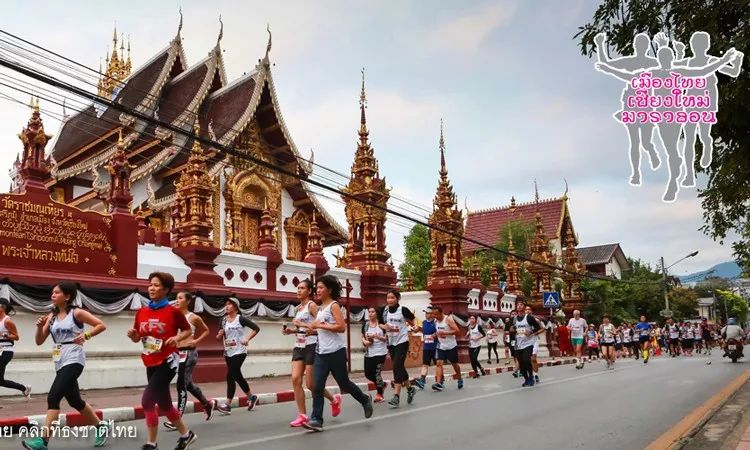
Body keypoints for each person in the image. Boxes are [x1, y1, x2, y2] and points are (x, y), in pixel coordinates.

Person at [22, 282, 109, 450]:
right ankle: (101, 427)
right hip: (59, 359)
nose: (53, 295)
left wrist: (86, 335)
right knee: (75, 401)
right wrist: (40, 328)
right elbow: (39, 341)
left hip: (75, 358)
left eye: (57, 292)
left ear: (67, 296)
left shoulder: (77, 313)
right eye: (52, 292)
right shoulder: (51, 317)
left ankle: (43, 441)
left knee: (53, 397)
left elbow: (101, 325)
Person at [126, 273, 196, 450]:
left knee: (147, 402)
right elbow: (137, 337)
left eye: (156, 285)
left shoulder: (174, 312)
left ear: (166, 289)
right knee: (164, 404)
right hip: (150, 360)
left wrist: (177, 338)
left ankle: (152, 444)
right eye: (150, 285)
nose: (151, 288)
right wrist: (134, 336)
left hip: (168, 361)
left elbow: (187, 331)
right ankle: (187, 435)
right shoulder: (142, 312)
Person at [304, 275, 373, 432]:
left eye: (321, 287)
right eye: (317, 288)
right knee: (317, 386)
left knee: (344, 384)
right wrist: (312, 331)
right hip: (321, 352)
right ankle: (316, 420)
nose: (318, 290)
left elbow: (341, 327)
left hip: (336, 352)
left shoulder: (333, 306)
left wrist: (321, 325)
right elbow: (323, 330)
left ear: (330, 289)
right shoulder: (320, 309)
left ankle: (364, 399)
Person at [283, 280, 339, 427]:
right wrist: (292, 331)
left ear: (309, 291)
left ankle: (333, 400)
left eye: (302, 288)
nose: (299, 290)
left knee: (311, 384)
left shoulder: (312, 306)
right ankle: (302, 415)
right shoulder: (297, 309)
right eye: (298, 288)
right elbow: (303, 329)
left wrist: (303, 326)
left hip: (312, 345)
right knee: (295, 379)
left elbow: (320, 327)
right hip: (299, 346)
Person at [163, 292, 215, 431]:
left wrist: (196, 341)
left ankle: (177, 418)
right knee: (188, 384)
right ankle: (207, 404)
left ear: (188, 301)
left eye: (180, 298)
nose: (177, 300)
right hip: (176, 353)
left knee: (181, 384)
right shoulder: (174, 316)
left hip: (189, 353)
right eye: (177, 298)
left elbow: (206, 330)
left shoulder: (193, 317)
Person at [214, 298, 260, 415]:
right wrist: (219, 335)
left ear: (235, 307)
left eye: (229, 304)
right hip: (228, 351)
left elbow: (256, 328)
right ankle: (251, 397)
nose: (227, 307)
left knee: (230, 375)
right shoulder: (223, 320)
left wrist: (247, 339)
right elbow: (220, 334)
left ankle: (227, 405)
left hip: (240, 351)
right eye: (226, 305)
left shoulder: (240, 318)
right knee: (237, 376)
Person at [380, 289, 417, 408]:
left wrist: (414, 326)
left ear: (397, 299)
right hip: (391, 342)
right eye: (388, 298)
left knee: (396, 366)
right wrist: (384, 326)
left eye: (392, 298)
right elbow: (380, 323)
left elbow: (412, 319)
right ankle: (410, 389)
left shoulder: (403, 310)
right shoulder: (384, 310)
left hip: (402, 341)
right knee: (399, 367)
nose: (389, 300)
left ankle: (396, 396)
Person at [0, 297, 30, 398]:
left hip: (6, 351)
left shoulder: (7, 321)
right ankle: (24, 388)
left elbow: (16, 337)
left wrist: (4, 335)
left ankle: (24, 388)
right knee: (0, 381)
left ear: (2, 307)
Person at [432, 305, 464, 391]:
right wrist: (435, 334)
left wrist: (445, 333)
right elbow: (438, 331)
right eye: (433, 314)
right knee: (439, 363)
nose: (435, 316)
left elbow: (457, 331)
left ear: (441, 313)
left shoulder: (448, 320)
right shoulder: (435, 321)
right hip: (441, 346)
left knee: (454, 364)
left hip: (451, 346)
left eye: (436, 314)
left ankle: (460, 378)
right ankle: (438, 383)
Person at [513, 300, 543, 387]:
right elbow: (512, 329)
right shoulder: (514, 319)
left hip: (528, 343)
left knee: (526, 360)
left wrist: (531, 332)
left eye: (521, 304)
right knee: (521, 363)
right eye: (518, 305)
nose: (519, 306)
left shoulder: (529, 318)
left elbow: (537, 327)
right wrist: (512, 330)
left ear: (524, 307)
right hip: (518, 343)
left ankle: (531, 376)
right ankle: (526, 379)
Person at [362, 306, 388, 402]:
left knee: (377, 373)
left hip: (380, 352)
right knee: (368, 374)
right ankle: (381, 384)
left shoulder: (381, 325)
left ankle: (380, 394)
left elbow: (387, 338)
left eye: (373, 312)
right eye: (369, 312)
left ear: (377, 313)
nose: (370, 314)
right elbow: (362, 336)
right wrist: (365, 341)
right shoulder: (366, 324)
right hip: (369, 352)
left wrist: (376, 336)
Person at [414, 306, 438, 390]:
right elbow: (423, 330)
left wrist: (436, 334)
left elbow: (440, 331)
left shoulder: (436, 322)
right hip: (426, 347)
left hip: (435, 347)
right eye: (425, 312)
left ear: (432, 314)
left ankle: (440, 381)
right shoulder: (424, 322)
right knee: (425, 364)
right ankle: (422, 381)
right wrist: (417, 329)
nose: (426, 314)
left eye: (427, 313)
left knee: (438, 365)